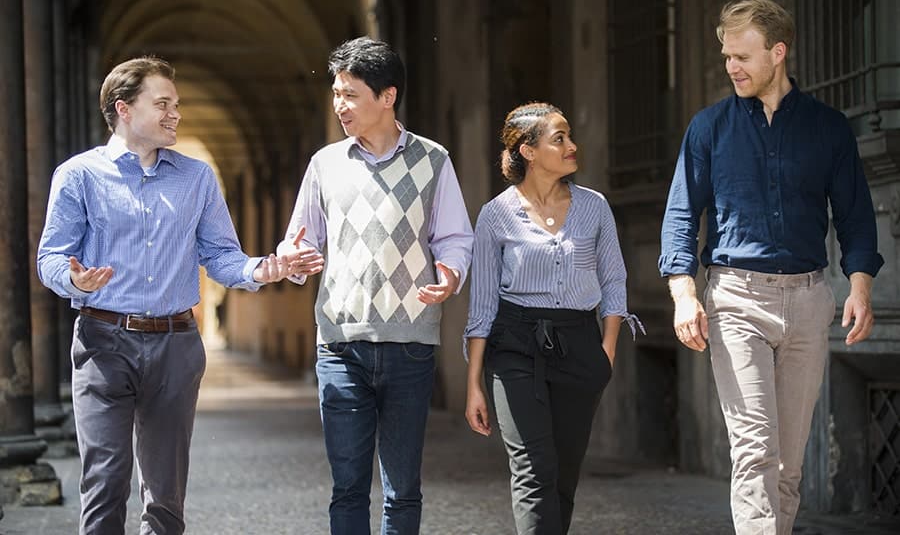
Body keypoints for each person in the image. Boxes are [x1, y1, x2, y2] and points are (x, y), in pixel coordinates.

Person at [36, 56, 318, 535]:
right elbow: (50, 258)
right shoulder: (78, 176)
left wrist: (263, 268)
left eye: (177, 104)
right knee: (104, 482)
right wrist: (73, 279)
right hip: (103, 342)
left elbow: (222, 256)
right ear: (123, 109)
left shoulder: (197, 178)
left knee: (165, 495)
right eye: (162, 103)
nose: (175, 114)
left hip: (176, 345)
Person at [659, 0, 883, 535]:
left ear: (777, 53)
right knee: (755, 448)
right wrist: (684, 295)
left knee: (786, 461)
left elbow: (854, 214)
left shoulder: (828, 129)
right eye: (726, 55)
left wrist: (859, 287)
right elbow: (681, 216)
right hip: (736, 299)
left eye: (742, 55)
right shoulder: (708, 129)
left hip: (808, 301)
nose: (731, 66)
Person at [277, 36, 473, 535]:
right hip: (340, 346)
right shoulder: (324, 165)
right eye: (336, 94)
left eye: (350, 94)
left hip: (411, 345)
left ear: (387, 97)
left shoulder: (434, 161)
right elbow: (297, 247)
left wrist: (450, 273)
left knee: (403, 490)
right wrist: (292, 260)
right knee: (347, 488)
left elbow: (454, 237)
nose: (339, 105)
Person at [463, 102, 641, 534]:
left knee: (562, 475)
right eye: (558, 138)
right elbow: (483, 305)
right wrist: (474, 385)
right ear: (527, 150)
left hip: (579, 343)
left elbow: (614, 281)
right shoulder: (495, 215)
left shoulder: (594, 207)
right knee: (532, 470)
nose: (572, 146)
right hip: (514, 346)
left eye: (569, 136)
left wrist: (606, 352)